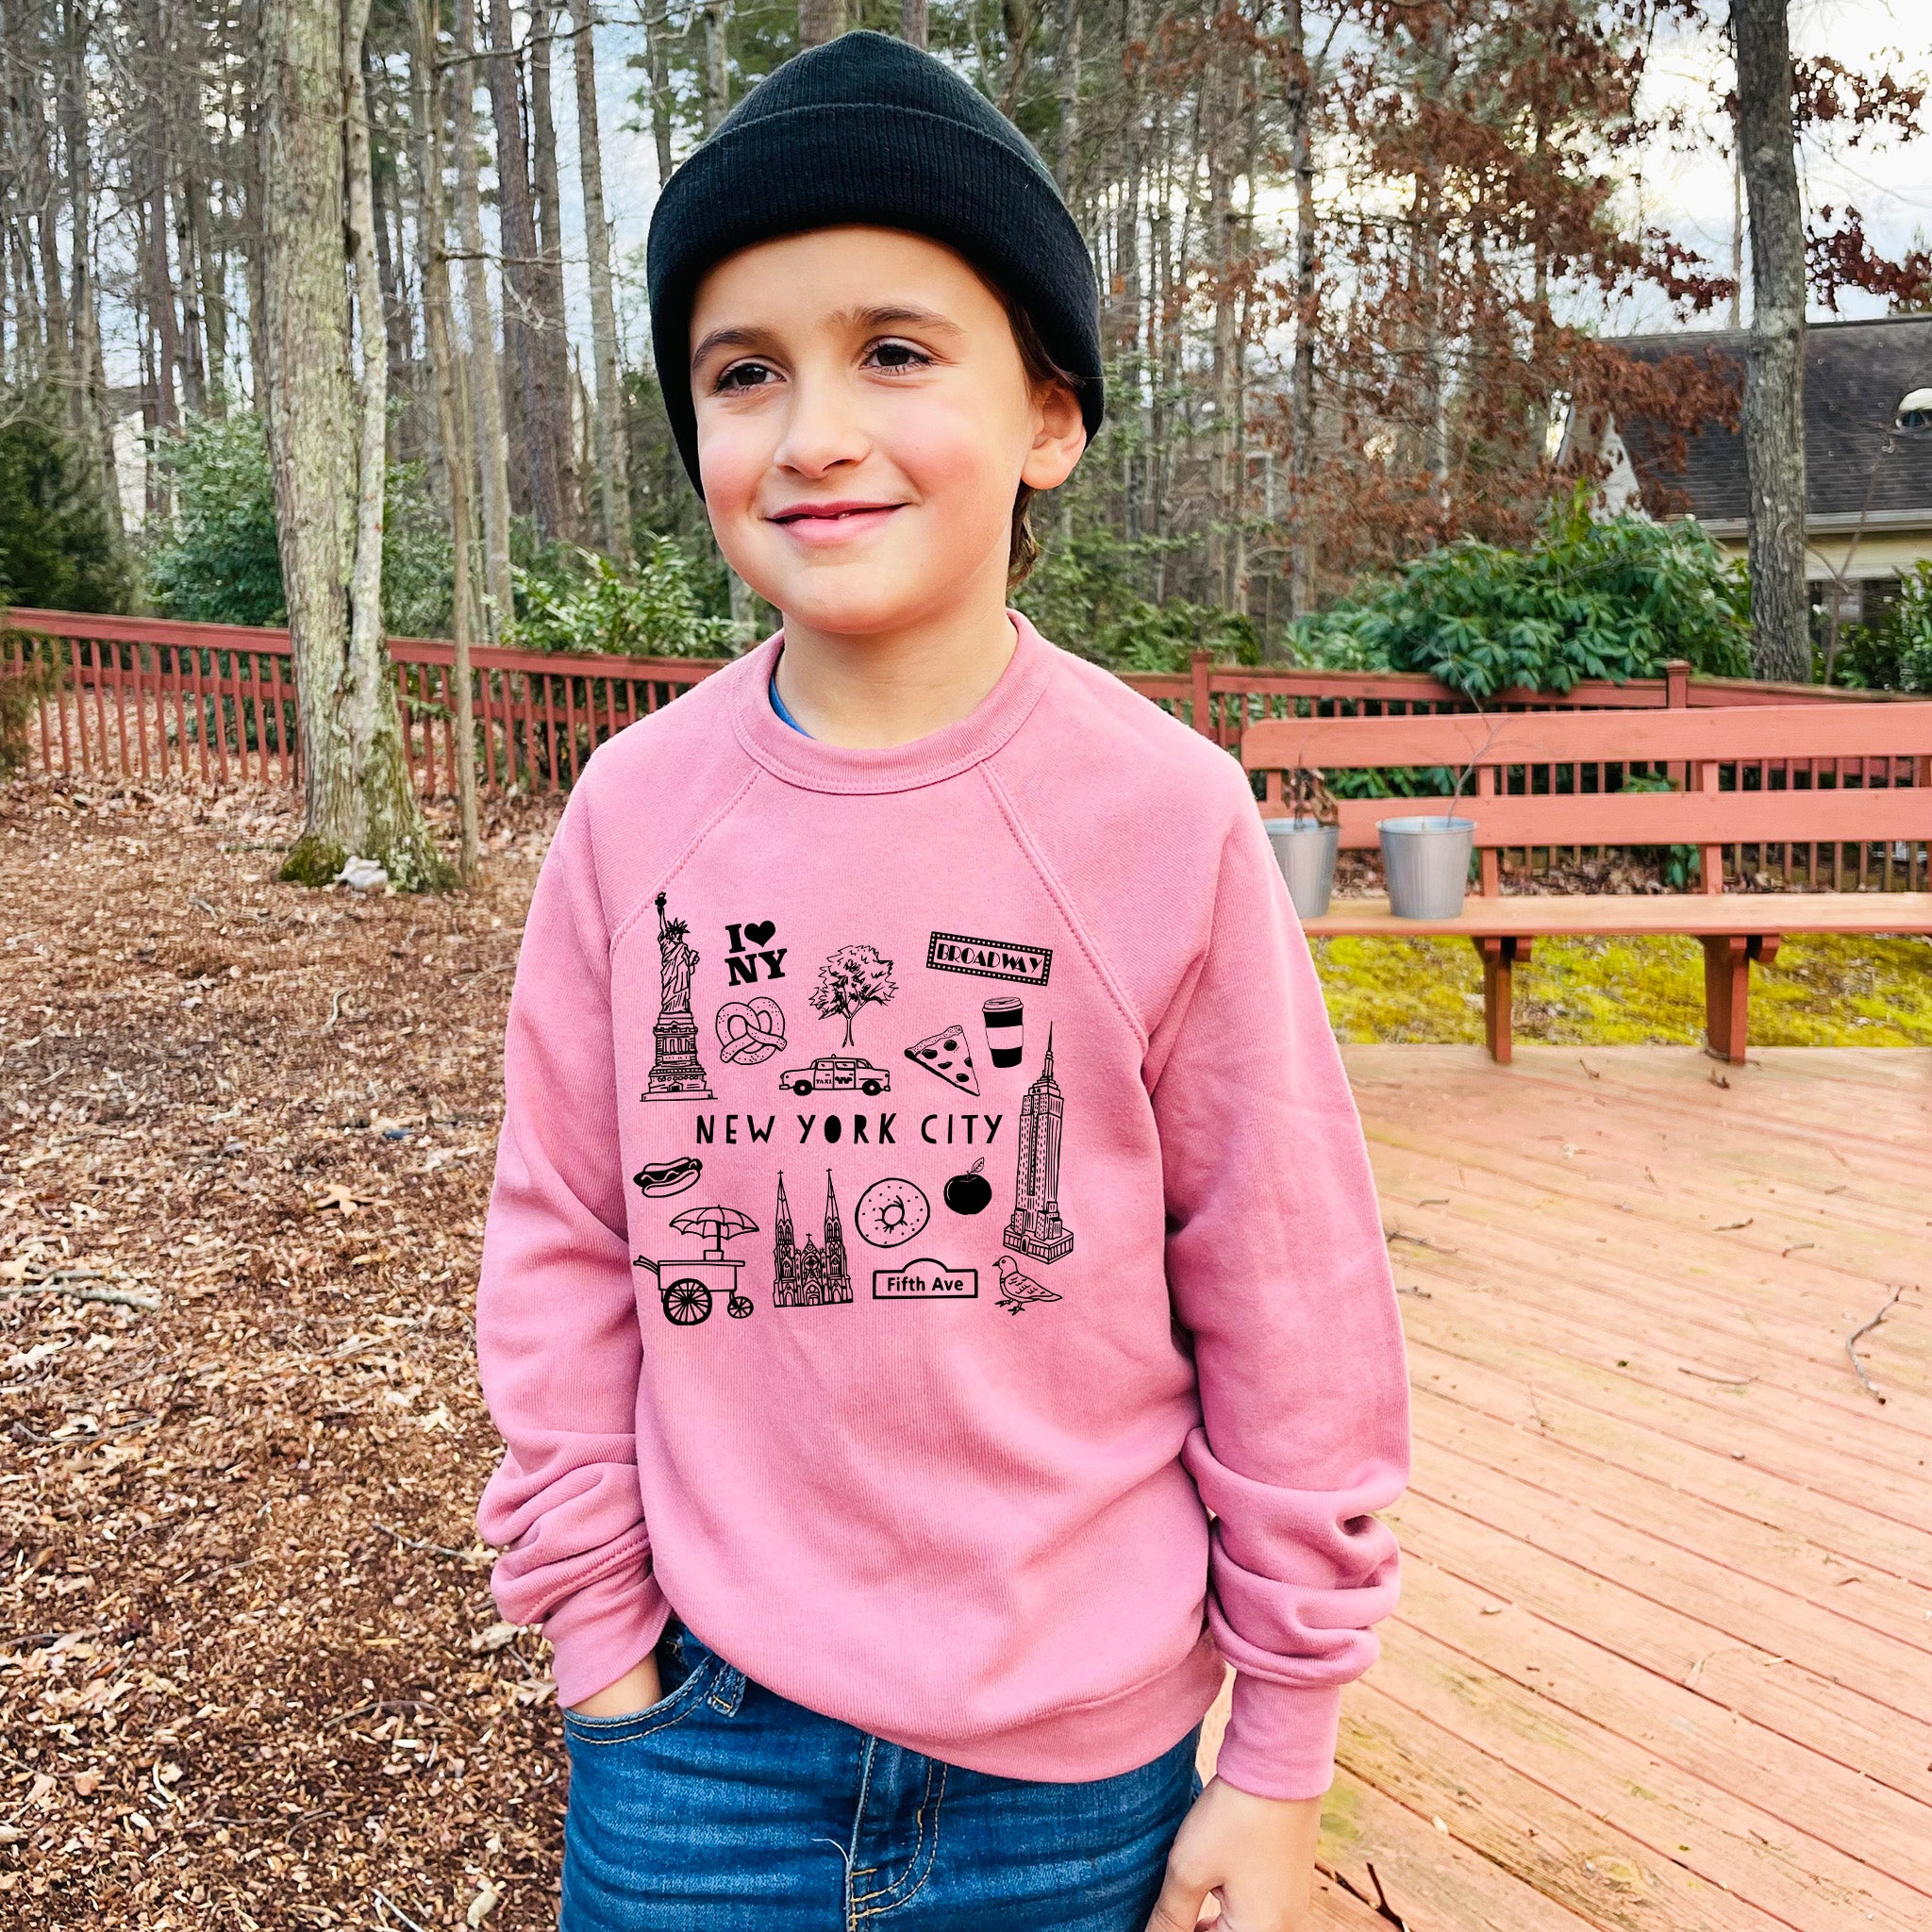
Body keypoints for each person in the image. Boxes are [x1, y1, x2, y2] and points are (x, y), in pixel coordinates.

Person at [474, 31, 1409, 1932]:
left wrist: (1281, 1751)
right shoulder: (634, 812)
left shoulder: (1162, 815)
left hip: (1082, 1772)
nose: (814, 427)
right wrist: (601, 1644)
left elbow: (1288, 1289)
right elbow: (561, 1241)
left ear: (1049, 417)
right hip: (700, 1749)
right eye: (745, 372)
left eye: (895, 351)